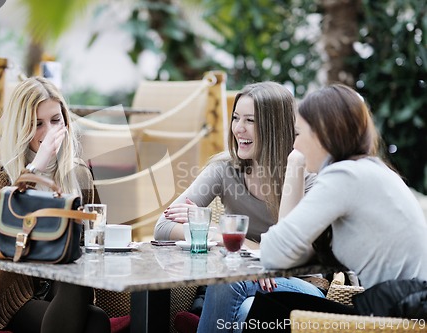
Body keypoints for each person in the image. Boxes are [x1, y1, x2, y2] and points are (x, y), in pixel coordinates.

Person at [244, 84, 427, 332]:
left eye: (298, 134)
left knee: (267, 311)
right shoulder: (370, 169)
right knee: (269, 305)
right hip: (406, 310)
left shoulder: (344, 175)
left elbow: (276, 251)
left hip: (399, 318)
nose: (294, 145)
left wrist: (295, 164)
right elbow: (293, 253)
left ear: (320, 134)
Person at [153, 82, 325, 331]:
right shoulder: (224, 169)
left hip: (300, 286)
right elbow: (163, 226)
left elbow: (289, 258)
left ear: (274, 127)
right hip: (247, 282)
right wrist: (226, 238)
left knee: (229, 278)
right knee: (246, 311)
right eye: (235, 118)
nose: (238, 129)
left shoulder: (307, 179)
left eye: (250, 121)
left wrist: (234, 242)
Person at [0, 77, 110, 333]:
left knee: (96, 316)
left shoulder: (79, 173)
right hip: (18, 296)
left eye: (55, 121)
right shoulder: (2, 176)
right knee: (93, 321)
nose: (49, 131)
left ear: (66, 123)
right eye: (37, 124)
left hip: (67, 287)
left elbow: (96, 233)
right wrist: (36, 167)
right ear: (21, 127)